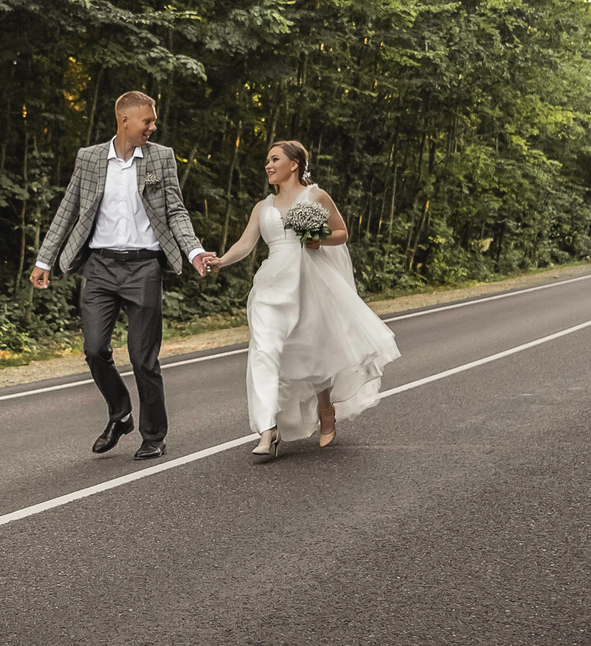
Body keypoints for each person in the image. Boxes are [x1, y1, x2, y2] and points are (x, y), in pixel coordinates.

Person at [31, 92, 216, 460]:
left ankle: (153, 435)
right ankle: (120, 413)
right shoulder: (90, 158)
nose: (153, 127)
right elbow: (67, 211)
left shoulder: (161, 158)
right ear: (124, 121)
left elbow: (176, 211)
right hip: (99, 267)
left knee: (143, 358)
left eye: (153, 121)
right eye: (147, 121)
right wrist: (44, 259)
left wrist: (194, 252)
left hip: (144, 267)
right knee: (95, 349)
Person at [211, 140, 400, 460]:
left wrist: (317, 238)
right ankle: (267, 429)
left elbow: (341, 233)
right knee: (264, 354)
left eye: (274, 159)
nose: (268, 165)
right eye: (267, 161)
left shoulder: (316, 196)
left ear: (294, 164)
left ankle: (325, 408)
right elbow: (245, 244)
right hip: (272, 285)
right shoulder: (263, 206)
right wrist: (220, 261)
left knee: (311, 352)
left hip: (309, 281)